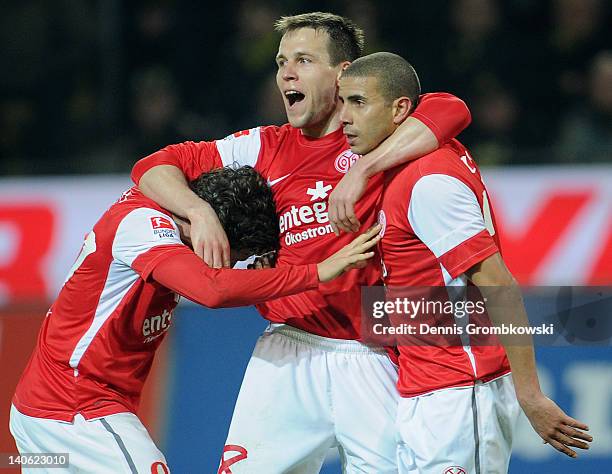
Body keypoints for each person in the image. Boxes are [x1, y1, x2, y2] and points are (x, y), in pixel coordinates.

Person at [131, 12, 471, 473]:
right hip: (287, 350)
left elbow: (451, 108)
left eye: (304, 60)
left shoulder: (379, 136)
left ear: (344, 72)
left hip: (373, 355)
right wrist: (199, 212)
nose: (286, 73)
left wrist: (363, 170)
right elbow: (154, 165)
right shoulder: (263, 145)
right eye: (280, 62)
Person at [9, 166, 381, 473]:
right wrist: (318, 271)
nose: (232, 265)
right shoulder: (141, 225)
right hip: (74, 407)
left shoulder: (172, 224)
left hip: (52, 411)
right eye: (234, 255)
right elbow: (213, 290)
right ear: (213, 231)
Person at [337, 51, 593, 473]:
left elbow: (497, 284)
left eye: (359, 102)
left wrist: (530, 394)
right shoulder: (406, 163)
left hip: (460, 394)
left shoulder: (428, 182)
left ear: (401, 109)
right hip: (424, 389)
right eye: (343, 101)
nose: (345, 116)